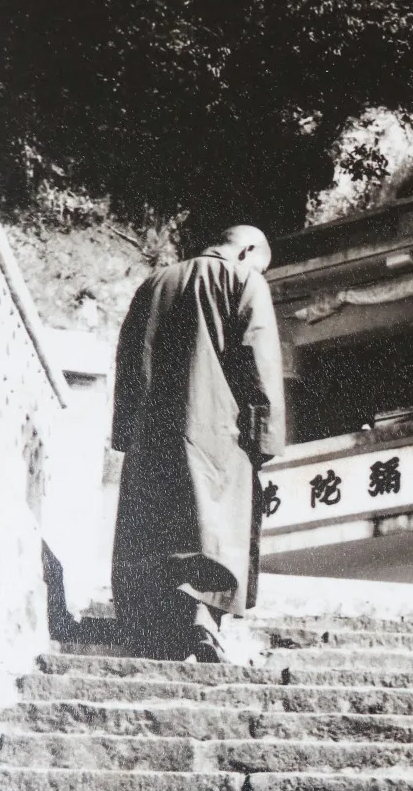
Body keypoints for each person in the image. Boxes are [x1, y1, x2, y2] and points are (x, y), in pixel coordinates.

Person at [110, 225, 286, 662]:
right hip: (218, 432)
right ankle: (202, 624)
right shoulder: (245, 280)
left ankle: (161, 632)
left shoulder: (154, 282)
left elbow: (128, 356)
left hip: (152, 433)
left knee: (157, 527)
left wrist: (125, 431)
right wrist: (264, 436)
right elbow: (259, 359)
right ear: (247, 250)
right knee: (212, 528)